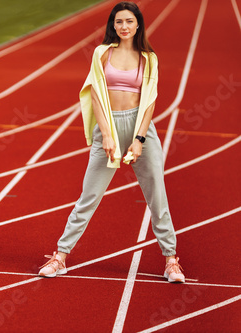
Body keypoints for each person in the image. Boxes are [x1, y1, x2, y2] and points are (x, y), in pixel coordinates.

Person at [38, 2, 185, 283]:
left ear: (138, 24)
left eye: (129, 21)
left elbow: (150, 100)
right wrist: (106, 134)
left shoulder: (149, 58)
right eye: (119, 22)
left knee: (158, 197)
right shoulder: (101, 53)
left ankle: (171, 260)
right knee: (88, 197)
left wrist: (139, 139)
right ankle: (60, 256)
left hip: (140, 128)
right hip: (108, 126)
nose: (124, 26)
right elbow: (95, 94)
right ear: (113, 25)